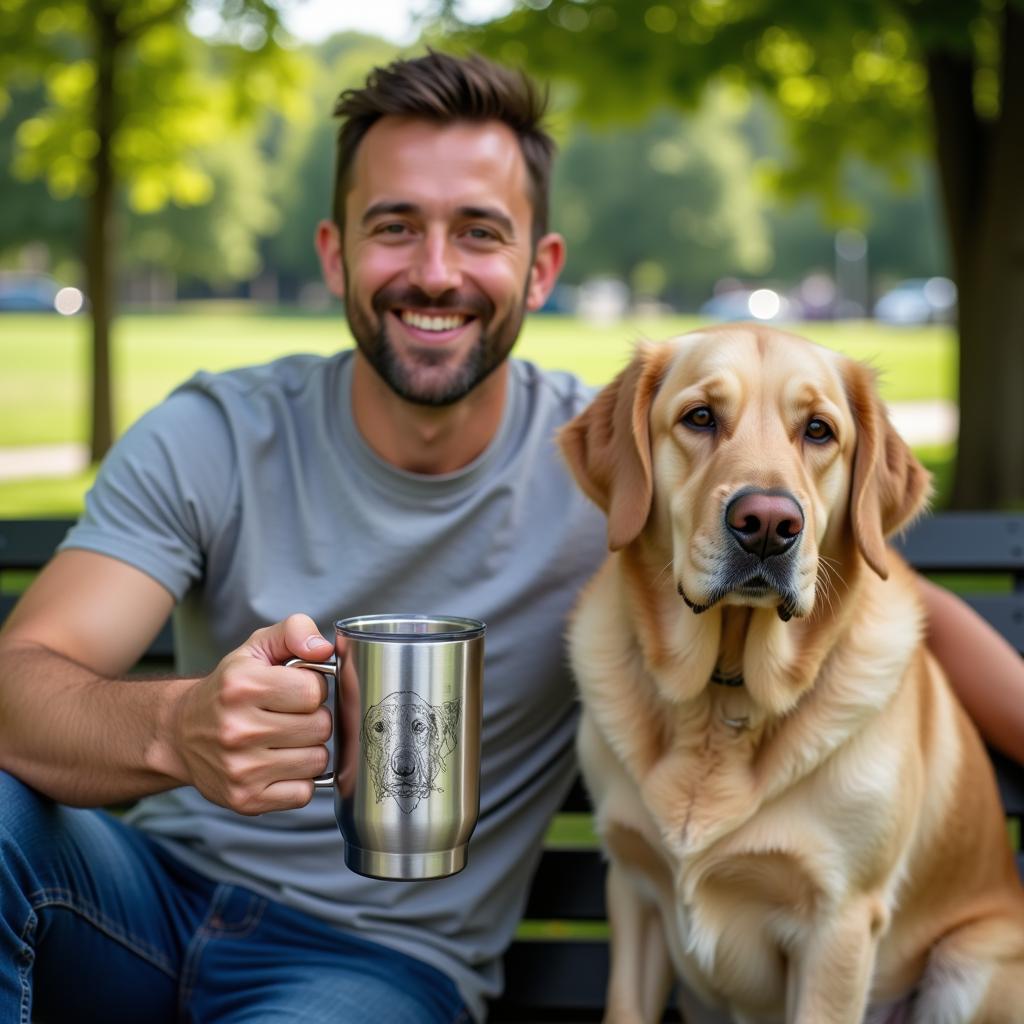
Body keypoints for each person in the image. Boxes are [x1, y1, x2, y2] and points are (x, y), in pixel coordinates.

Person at [0, 50, 1021, 1024]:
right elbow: (21, 685)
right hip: (140, 899)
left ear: (539, 269)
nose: (435, 272)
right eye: (394, 227)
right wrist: (176, 726)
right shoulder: (214, 434)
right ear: (334, 252)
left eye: (479, 233)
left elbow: (877, 594)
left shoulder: (636, 455)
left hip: (373, 961)